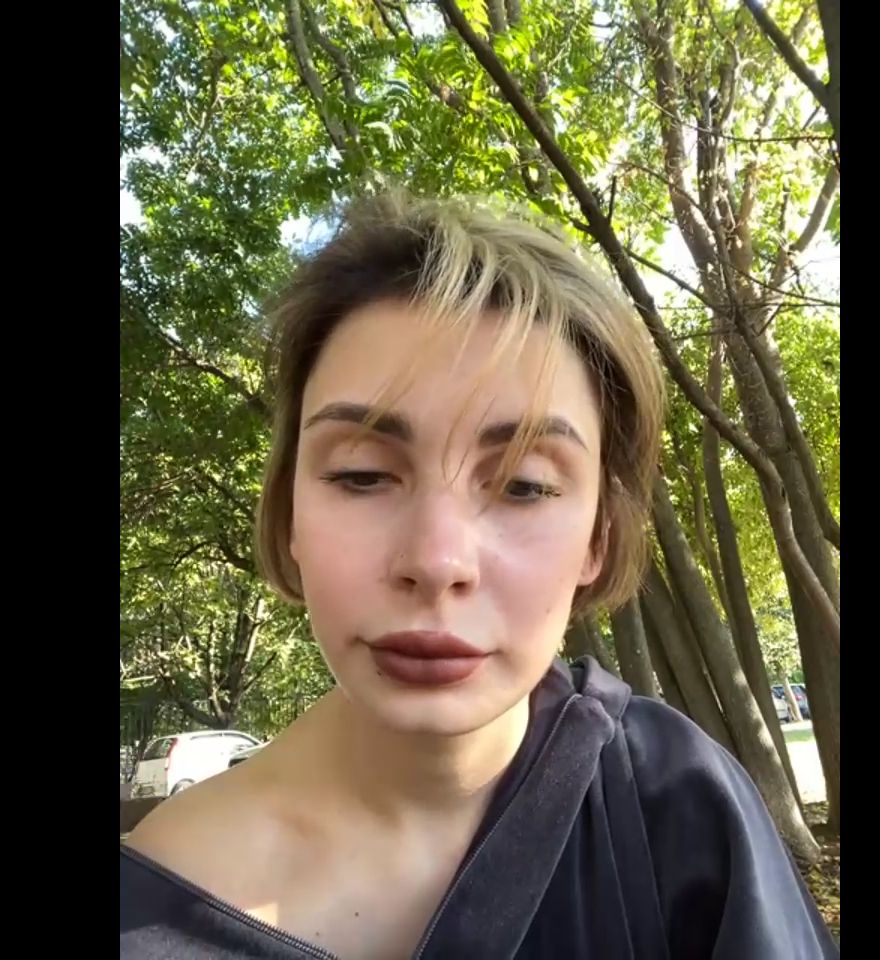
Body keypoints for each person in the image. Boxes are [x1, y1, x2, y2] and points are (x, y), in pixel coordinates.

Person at [120, 193, 838, 959]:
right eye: (362, 474)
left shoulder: (677, 812)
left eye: (524, 485)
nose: (436, 562)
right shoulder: (147, 911)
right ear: (289, 511)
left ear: (598, 537)